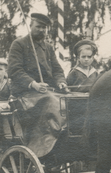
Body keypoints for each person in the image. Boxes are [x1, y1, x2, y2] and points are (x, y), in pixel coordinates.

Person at [7, 13, 69, 158]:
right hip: (24, 93)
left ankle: (66, 136)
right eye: (38, 26)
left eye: (44, 28)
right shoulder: (19, 44)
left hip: (47, 91)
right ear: (31, 25)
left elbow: (57, 69)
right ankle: (42, 145)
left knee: (70, 99)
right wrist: (33, 84)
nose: (41, 30)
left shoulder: (48, 48)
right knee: (52, 101)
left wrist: (61, 82)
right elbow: (14, 70)